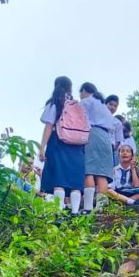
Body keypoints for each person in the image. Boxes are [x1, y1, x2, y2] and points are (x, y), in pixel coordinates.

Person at [39, 76, 85, 214]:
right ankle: (75, 211)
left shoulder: (55, 103)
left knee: (58, 178)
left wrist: (42, 147)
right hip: (77, 145)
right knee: (75, 179)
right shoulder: (77, 105)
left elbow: (49, 126)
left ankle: (59, 210)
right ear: (70, 88)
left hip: (58, 141)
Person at [79, 82, 117, 213]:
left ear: (84, 91)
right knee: (102, 173)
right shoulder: (103, 106)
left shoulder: (86, 102)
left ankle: (88, 206)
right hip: (106, 138)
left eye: (81, 93)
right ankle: (101, 207)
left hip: (92, 134)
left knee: (89, 170)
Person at [105, 94, 122, 165]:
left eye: (115, 106)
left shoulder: (117, 122)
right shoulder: (97, 119)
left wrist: (111, 149)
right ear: (105, 104)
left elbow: (118, 140)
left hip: (109, 148)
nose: (112, 107)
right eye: (110, 104)